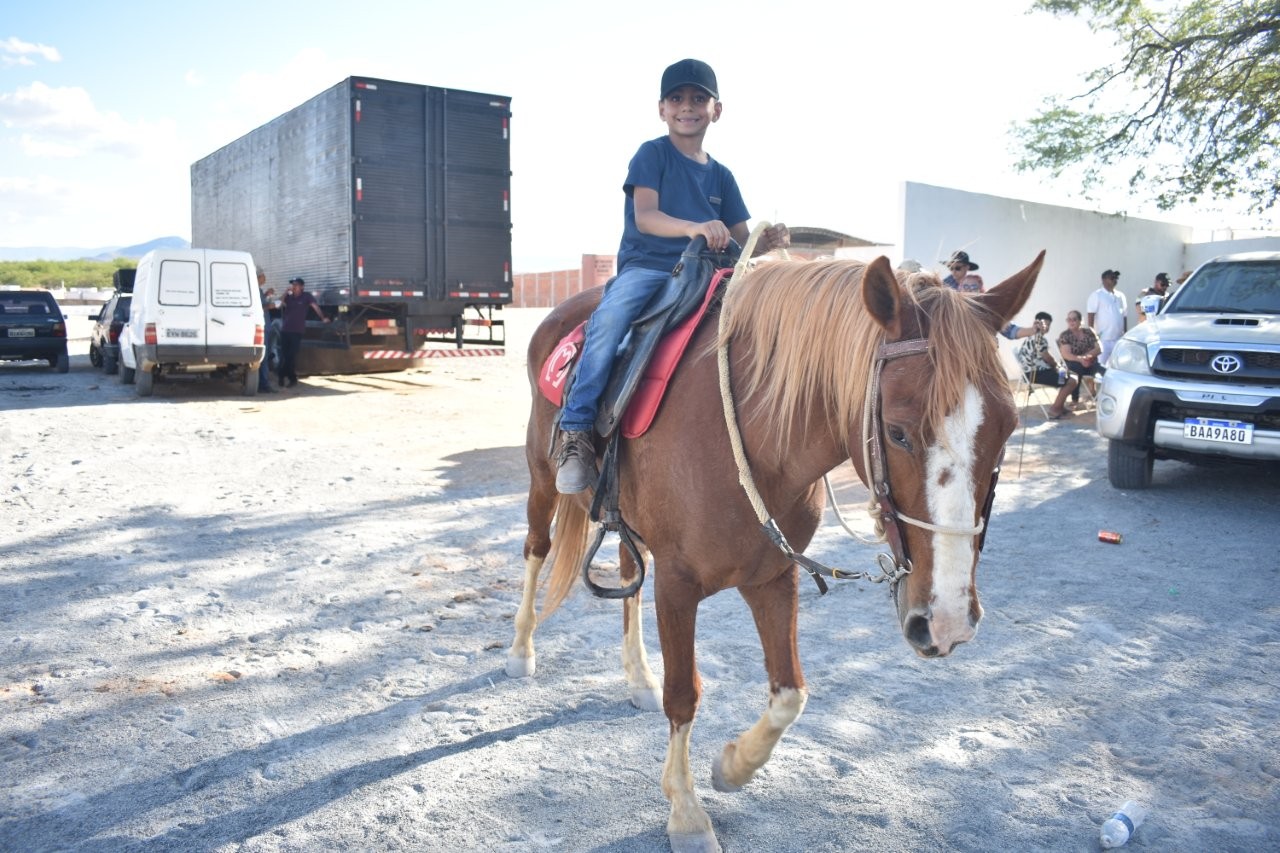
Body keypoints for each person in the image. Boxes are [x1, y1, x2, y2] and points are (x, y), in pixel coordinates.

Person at [554, 58, 789, 494]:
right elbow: (645, 216)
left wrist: (767, 241)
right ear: (662, 109)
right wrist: (694, 227)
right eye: (677, 99)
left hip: (710, 272)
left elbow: (743, 241)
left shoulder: (722, 176)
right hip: (650, 267)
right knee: (609, 323)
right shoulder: (652, 154)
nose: (687, 107)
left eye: (699, 99)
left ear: (717, 110)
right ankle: (577, 431)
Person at [1017, 311, 1078, 419]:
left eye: (1048, 325)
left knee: (1068, 374)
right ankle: (1055, 409)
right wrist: (1057, 367)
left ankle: (1060, 406)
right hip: (1035, 374)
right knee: (1072, 379)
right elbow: (1048, 359)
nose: (1047, 327)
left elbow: (1046, 358)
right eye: (1045, 324)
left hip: (1031, 373)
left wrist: (1059, 368)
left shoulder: (1032, 336)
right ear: (1037, 323)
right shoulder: (1038, 338)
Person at [277, 276, 329, 388]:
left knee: (291, 355)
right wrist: (285, 292)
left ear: (302, 287)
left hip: (297, 331)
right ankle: (288, 378)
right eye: (293, 285)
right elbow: (278, 304)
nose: (293, 287)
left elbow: (316, 307)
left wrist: (323, 318)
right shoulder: (288, 297)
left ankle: (283, 375)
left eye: (296, 285)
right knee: (284, 355)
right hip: (285, 330)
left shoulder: (306, 296)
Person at [1056, 309, 1104, 402]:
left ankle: (1108, 398)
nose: (1071, 322)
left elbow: (1099, 348)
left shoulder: (1089, 332)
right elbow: (1066, 355)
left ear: (1080, 321)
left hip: (1090, 363)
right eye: (1069, 320)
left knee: (1107, 372)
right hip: (1072, 364)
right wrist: (1081, 360)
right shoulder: (1065, 335)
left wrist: (1086, 357)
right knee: (1076, 369)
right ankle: (1075, 399)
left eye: (1074, 319)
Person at [1086, 269, 1127, 365]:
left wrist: (1125, 334)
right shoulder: (1097, 295)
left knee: (1119, 365)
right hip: (1103, 340)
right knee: (1101, 365)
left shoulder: (1120, 296)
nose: (1114, 280)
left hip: (1118, 339)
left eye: (1116, 278)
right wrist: (1092, 337)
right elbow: (1091, 315)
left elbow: (1124, 316)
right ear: (1104, 280)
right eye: (1112, 278)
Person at [257, 269, 278, 393]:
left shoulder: (259, 291)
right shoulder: (255, 289)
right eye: (263, 276)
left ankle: (262, 382)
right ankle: (263, 384)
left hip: (266, 326)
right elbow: (257, 307)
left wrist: (266, 295)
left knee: (264, 355)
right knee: (263, 356)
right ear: (258, 277)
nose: (265, 278)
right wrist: (270, 306)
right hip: (262, 327)